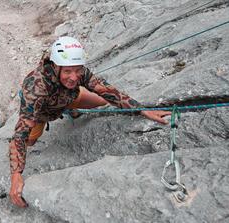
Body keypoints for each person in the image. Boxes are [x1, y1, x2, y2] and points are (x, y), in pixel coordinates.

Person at [9, 36, 171, 207]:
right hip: (41, 112)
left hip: (68, 97)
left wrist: (142, 110)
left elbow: (106, 90)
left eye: (78, 70)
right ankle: (67, 111)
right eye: (68, 72)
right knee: (30, 140)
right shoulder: (36, 87)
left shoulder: (78, 74)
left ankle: (70, 109)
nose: (74, 77)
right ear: (55, 67)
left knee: (102, 101)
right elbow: (20, 134)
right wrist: (16, 174)